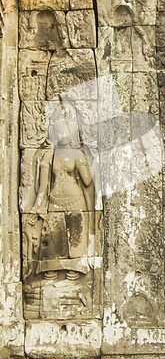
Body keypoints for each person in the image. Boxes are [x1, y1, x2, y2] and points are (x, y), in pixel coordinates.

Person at [32, 104, 97, 281]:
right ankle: (50, 272)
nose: (63, 134)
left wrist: (96, 159)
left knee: (74, 241)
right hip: (54, 201)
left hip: (76, 202)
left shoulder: (77, 154)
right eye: (59, 131)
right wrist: (37, 207)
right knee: (52, 241)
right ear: (53, 132)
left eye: (67, 130)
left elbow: (87, 180)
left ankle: (74, 272)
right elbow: (43, 187)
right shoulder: (48, 155)